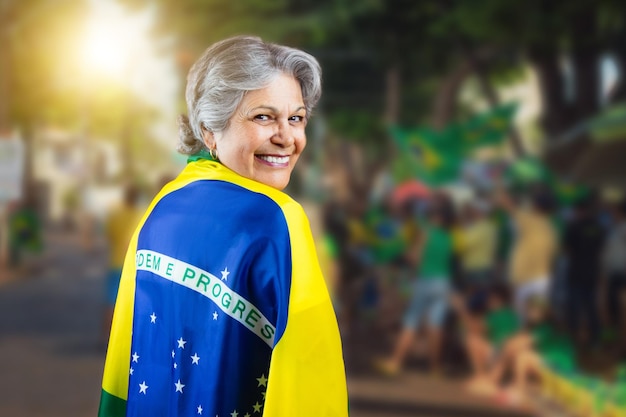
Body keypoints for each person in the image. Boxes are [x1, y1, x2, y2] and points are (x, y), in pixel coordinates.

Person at [99, 36, 347, 417]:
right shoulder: (278, 218)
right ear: (209, 129)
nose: (287, 138)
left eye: (295, 118)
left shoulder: (162, 207)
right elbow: (308, 376)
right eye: (263, 117)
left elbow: (123, 361)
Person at [376, 195, 455, 375]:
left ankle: (395, 361)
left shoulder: (426, 232)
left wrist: (406, 254)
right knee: (436, 325)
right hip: (443, 282)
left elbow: (415, 257)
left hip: (425, 280)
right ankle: (435, 368)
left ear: (435, 217)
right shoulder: (448, 238)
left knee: (411, 321)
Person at [495, 187, 558, 322]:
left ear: (536, 205)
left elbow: (505, 203)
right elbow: (552, 259)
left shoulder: (528, 219)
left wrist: (498, 181)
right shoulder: (552, 229)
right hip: (542, 280)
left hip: (523, 280)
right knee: (537, 318)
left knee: (521, 319)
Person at [101, 185, 144, 343]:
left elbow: (109, 236)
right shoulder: (141, 214)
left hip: (115, 263)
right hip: (133, 266)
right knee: (132, 304)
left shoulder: (115, 215)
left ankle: (105, 337)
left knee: (110, 303)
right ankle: (128, 339)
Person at [563, 194, 606, 348]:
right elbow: (601, 250)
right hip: (592, 272)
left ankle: (573, 338)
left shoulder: (573, 226)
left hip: (576, 271)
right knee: (591, 306)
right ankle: (594, 338)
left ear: (578, 210)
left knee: (574, 305)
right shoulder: (599, 227)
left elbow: (567, 249)